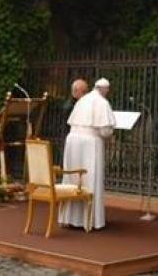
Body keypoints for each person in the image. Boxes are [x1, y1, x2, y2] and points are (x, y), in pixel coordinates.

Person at [59, 76, 115, 229]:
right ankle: (90, 221)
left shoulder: (82, 100)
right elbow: (105, 131)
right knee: (89, 179)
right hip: (90, 143)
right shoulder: (102, 102)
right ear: (104, 90)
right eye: (107, 90)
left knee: (73, 178)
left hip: (72, 141)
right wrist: (111, 132)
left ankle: (69, 218)